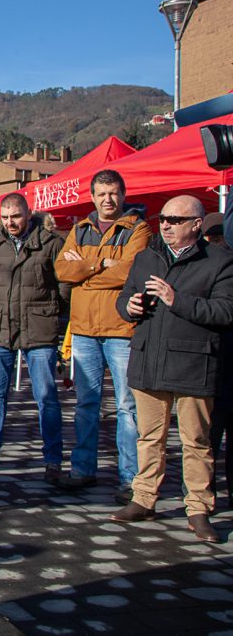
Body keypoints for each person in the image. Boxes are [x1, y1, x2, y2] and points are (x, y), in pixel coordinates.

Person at [110, 196, 233, 543]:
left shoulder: (220, 261)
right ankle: (144, 498)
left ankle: (198, 509)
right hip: (149, 358)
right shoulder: (147, 256)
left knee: (196, 441)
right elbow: (124, 297)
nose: (165, 224)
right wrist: (128, 306)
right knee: (149, 437)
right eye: (162, 218)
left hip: (194, 363)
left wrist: (176, 299)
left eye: (175, 220)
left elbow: (225, 311)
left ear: (196, 224)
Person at [53, 170, 150, 503]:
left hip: (121, 329)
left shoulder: (138, 228)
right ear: (92, 197)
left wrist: (86, 269)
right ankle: (83, 470)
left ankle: (130, 477)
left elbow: (130, 271)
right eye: (102, 194)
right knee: (85, 404)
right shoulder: (80, 229)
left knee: (127, 407)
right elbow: (62, 270)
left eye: (113, 193)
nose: (108, 199)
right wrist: (102, 264)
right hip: (83, 331)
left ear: (123, 194)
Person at [0, 193, 66, 483]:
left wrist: (53, 311)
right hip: (1, 328)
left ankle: (53, 459)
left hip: (38, 328)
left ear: (28, 213)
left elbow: (63, 285)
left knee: (46, 396)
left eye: (16, 216)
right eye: (6, 217)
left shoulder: (51, 242)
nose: (11, 222)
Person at [202, 212, 232, 508]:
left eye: (221, 238)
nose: (217, 244)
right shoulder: (204, 265)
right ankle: (202, 492)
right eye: (212, 238)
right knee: (207, 434)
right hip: (212, 362)